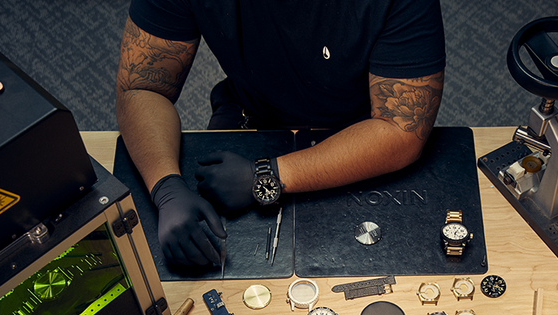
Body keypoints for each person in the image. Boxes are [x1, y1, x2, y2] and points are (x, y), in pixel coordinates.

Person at [115, 0, 446, 267]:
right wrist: (166, 186)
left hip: (361, 134)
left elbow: (401, 131)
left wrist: (269, 176)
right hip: (252, 117)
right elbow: (142, 88)